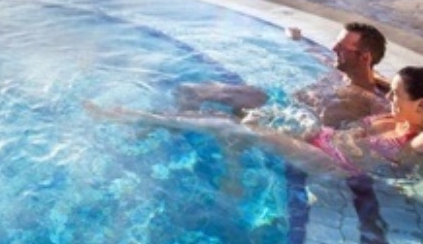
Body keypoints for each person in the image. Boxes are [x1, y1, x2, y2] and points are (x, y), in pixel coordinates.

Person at [84, 66, 423, 178]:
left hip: (334, 162)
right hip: (321, 136)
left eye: (396, 94)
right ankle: (159, 123)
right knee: (231, 113)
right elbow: (377, 81)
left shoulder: (415, 141)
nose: (389, 98)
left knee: (232, 127)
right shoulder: (392, 116)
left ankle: (134, 118)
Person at [176, 21, 390, 128]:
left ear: (365, 57)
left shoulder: (373, 101)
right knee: (193, 90)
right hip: (276, 101)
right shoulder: (339, 70)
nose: (333, 48)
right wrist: (298, 39)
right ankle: (180, 135)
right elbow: (319, 54)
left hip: (289, 123)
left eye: (342, 47)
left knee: (220, 125)